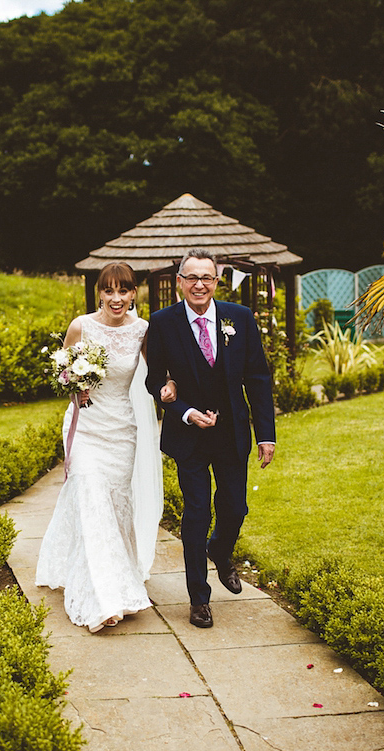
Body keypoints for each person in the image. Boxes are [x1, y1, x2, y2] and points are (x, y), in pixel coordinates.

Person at [144, 248, 276, 628]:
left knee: (235, 508)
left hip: (233, 431)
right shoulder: (163, 322)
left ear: (217, 282)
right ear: (179, 283)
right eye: (191, 277)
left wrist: (266, 434)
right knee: (196, 513)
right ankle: (198, 599)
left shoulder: (240, 318)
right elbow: (155, 379)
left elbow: (258, 379)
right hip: (189, 437)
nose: (199, 284)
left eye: (207, 277)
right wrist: (180, 406)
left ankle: (220, 549)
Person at [36, 262, 167, 631]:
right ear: (100, 293)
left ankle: (118, 575)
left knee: (113, 505)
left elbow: (157, 374)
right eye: (109, 291)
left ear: (134, 294)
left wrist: (171, 389)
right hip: (86, 428)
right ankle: (104, 597)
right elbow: (60, 371)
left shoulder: (142, 330)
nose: (116, 298)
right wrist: (75, 381)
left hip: (122, 430)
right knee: (92, 498)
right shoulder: (81, 326)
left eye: (123, 291)